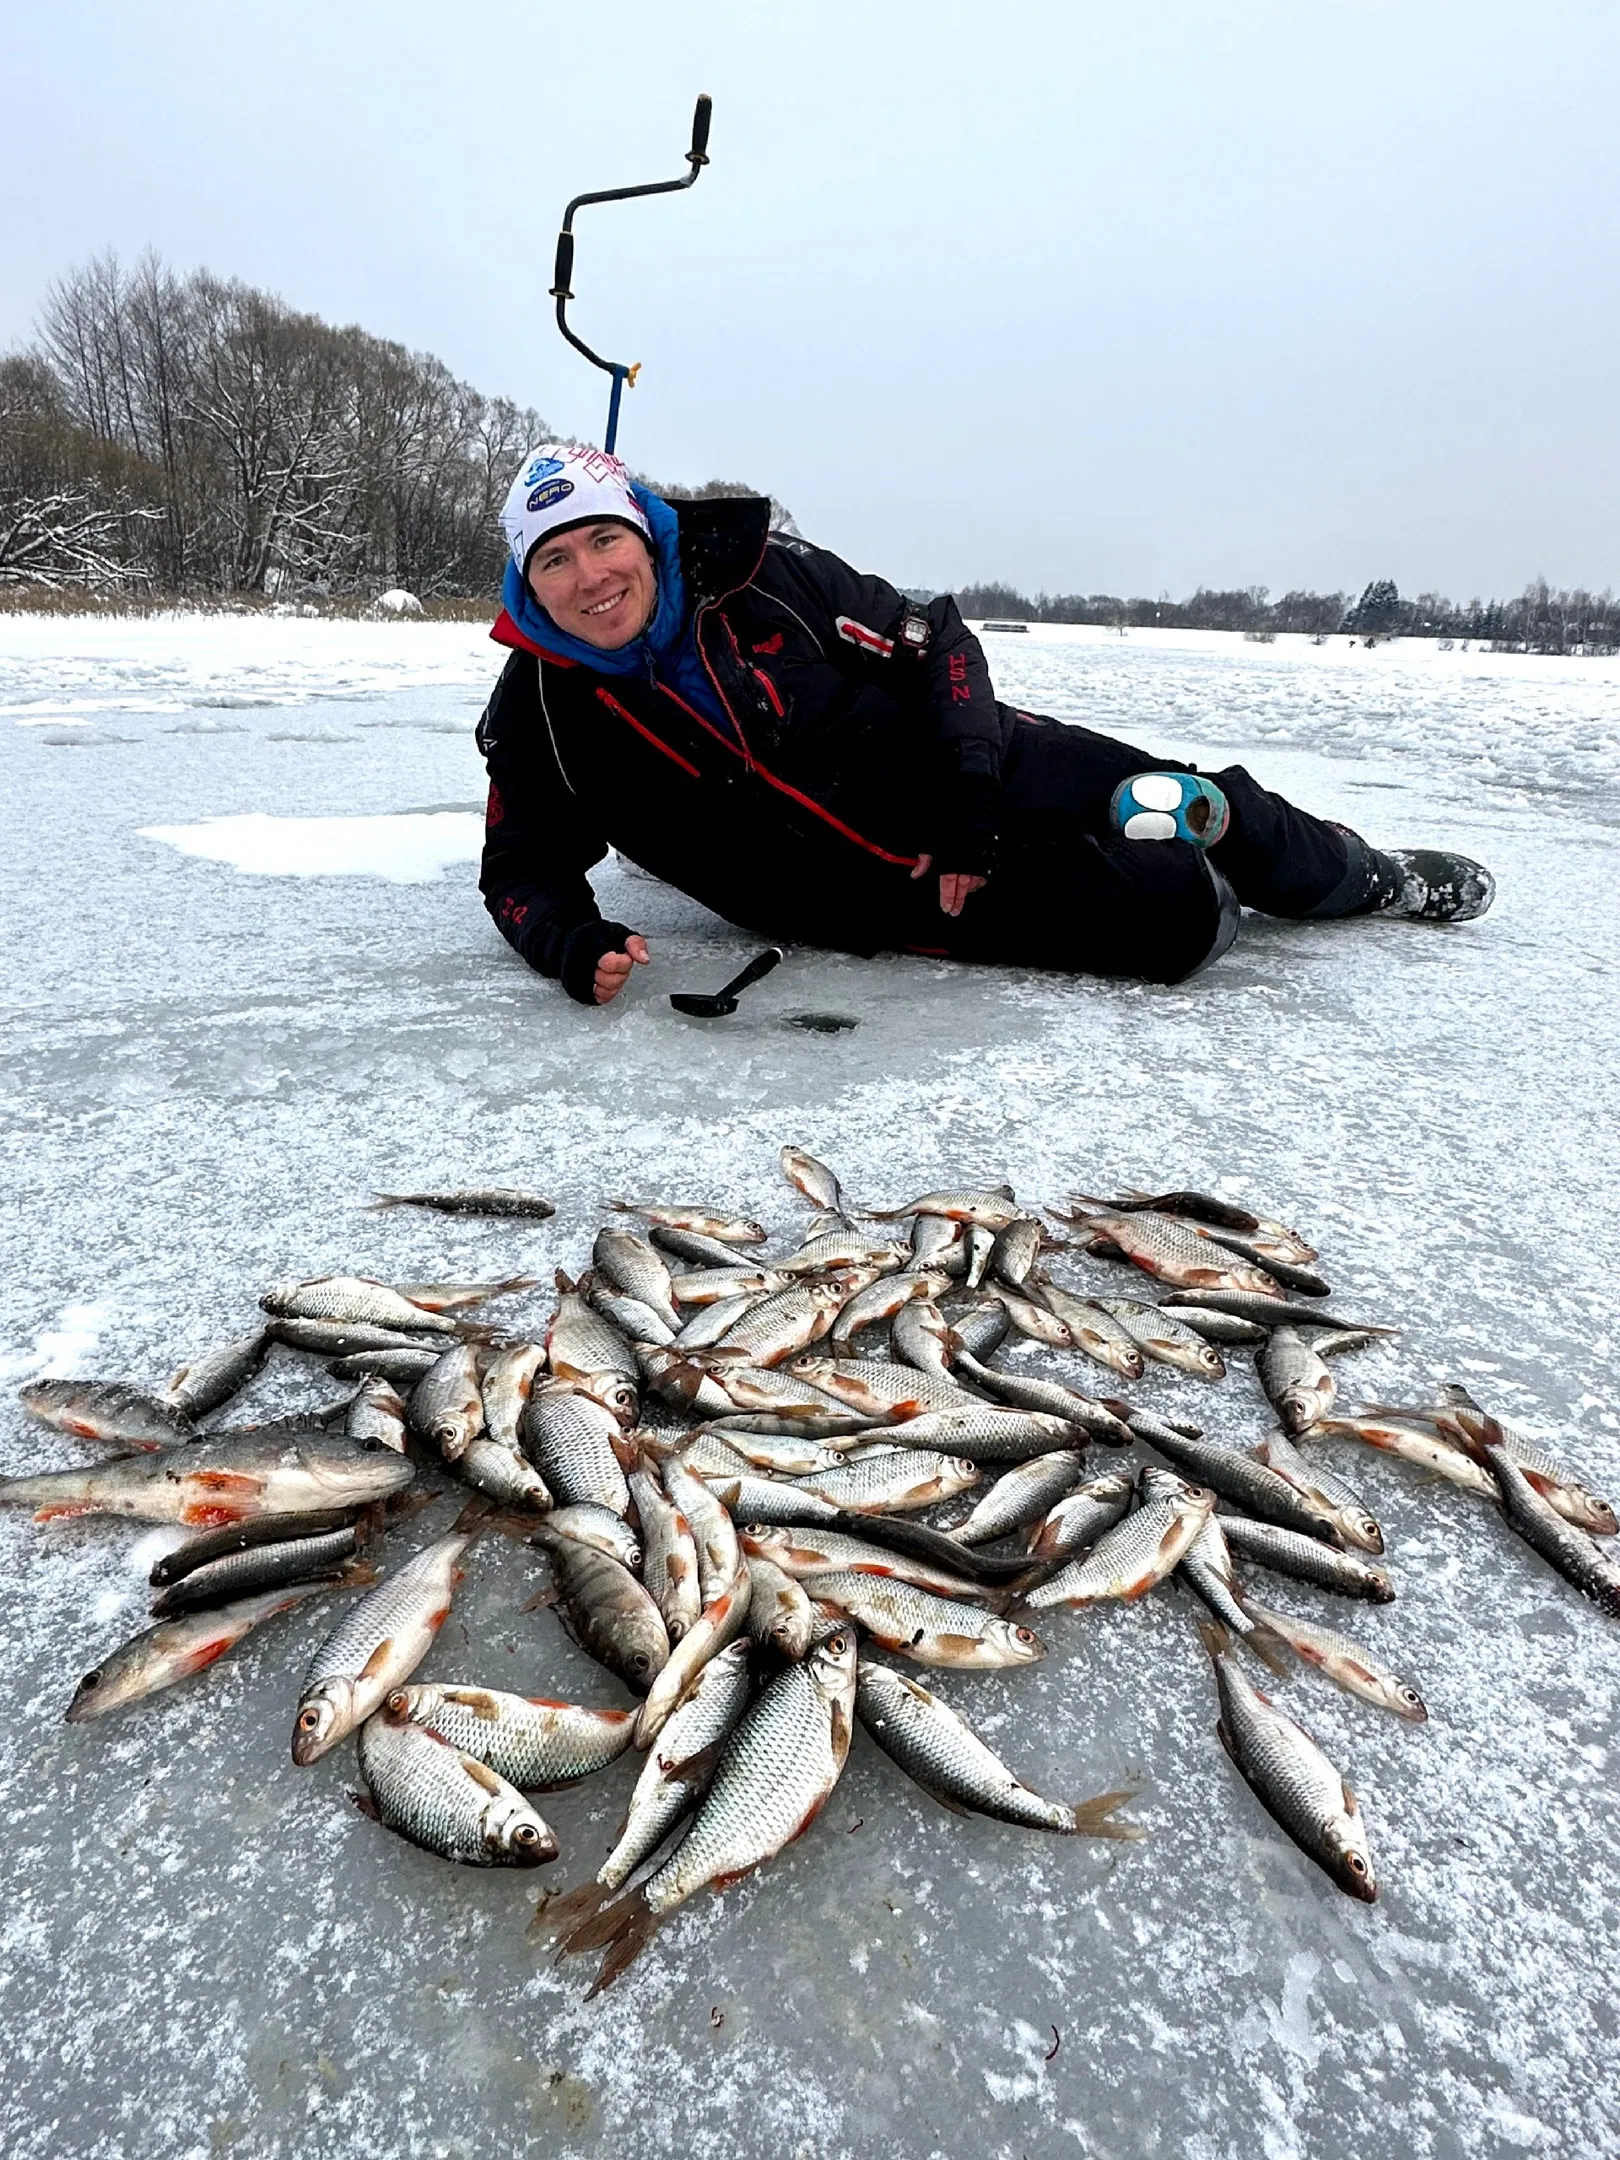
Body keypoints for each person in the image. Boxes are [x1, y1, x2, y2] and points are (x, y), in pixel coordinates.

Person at [477, 444, 1494, 1007]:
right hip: (874, 894)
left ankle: (1368, 879)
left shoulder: (768, 581)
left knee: (1191, 807)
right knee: (1180, 916)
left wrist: (971, 793)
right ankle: (1178, 877)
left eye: (603, 538)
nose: (588, 578)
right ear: (528, 582)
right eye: (553, 561)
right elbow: (518, 871)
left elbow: (940, 646)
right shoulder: (541, 708)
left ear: (647, 534)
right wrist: (566, 940)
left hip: (976, 764)